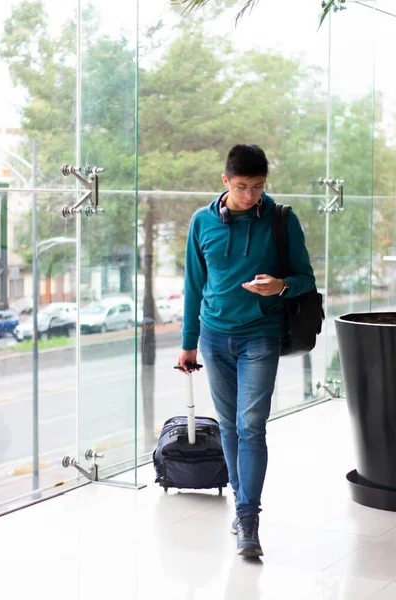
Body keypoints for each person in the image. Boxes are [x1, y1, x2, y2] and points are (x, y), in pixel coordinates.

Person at [177, 144, 315, 558]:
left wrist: (281, 285)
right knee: (229, 424)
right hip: (214, 337)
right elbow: (193, 285)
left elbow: (306, 278)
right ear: (225, 181)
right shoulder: (202, 222)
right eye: (241, 187)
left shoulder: (280, 220)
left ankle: (249, 519)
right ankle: (242, 506)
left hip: (262, 333)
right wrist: (188, 342)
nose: (250, 195)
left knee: (251, 424)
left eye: (257, 187)